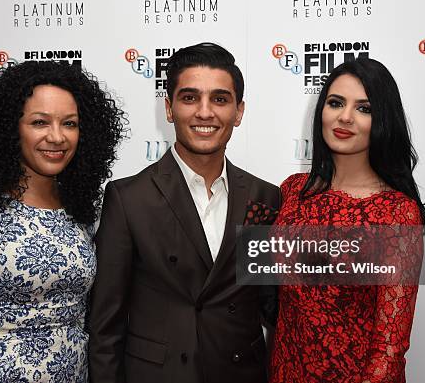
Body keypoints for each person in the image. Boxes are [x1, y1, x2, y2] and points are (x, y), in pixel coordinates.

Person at [89, 42, 281, 383]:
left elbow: (273, 305)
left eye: (220, 99)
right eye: (190, 98)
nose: (204, 112)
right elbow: (106, 327)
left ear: (239, 112)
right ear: (169, 108)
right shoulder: (128, 198)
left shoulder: (264, 197)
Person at [0, 60, 126, 382]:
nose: (57, 137)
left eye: (70, 124)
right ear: (10, 128)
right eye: (40, 122)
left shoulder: (80, 209)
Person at [269, 58, 425, 383]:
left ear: (383, 119)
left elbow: (389, 349)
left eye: (364, 108)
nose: (345, 117)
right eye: (336, 103)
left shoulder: (396, 213)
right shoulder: (292, 191)